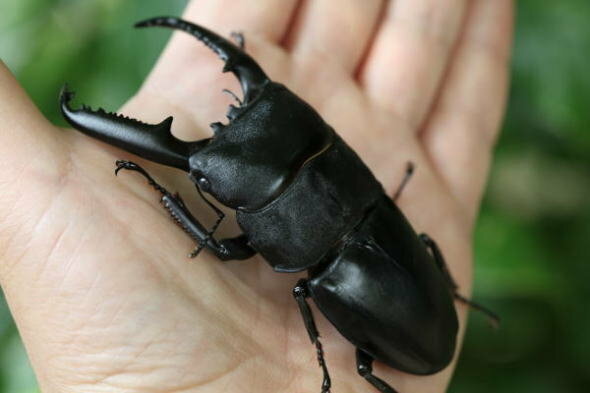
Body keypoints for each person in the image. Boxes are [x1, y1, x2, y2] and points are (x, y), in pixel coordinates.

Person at [0, 1, 513, 392]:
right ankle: (453, 294)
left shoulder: (319, 278)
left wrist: (159, 183)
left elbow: (225, 249)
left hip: (410, 327)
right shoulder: (367, 208)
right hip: (384, 243)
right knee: (411, 242)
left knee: (354, 356)